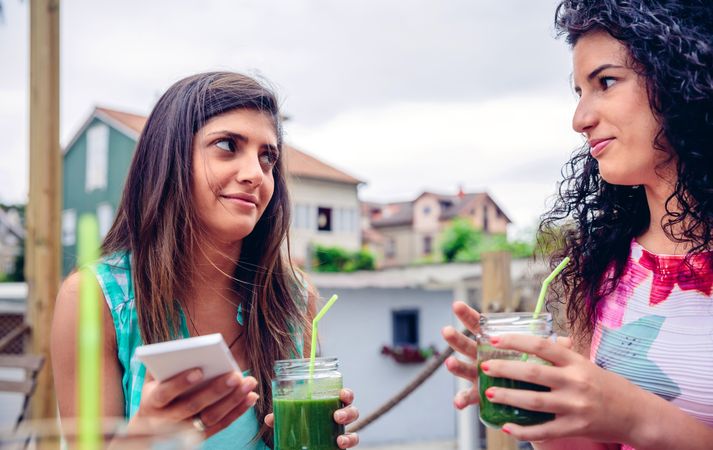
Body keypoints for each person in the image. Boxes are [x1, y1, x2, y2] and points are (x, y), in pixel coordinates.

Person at [443, 1, 713, 449]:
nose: (580, 120)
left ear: (686, 78)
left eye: (606, 82)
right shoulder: (605, 264)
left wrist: (631, 413)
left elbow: (627, 419)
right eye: (579, 92)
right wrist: (539, 404)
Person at [51, 72, 360, 449]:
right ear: (169, 158)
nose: (255, 175)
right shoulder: (94, 297)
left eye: (268, 158)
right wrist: (145, 436)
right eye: (227, 145)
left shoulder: (294, 296)